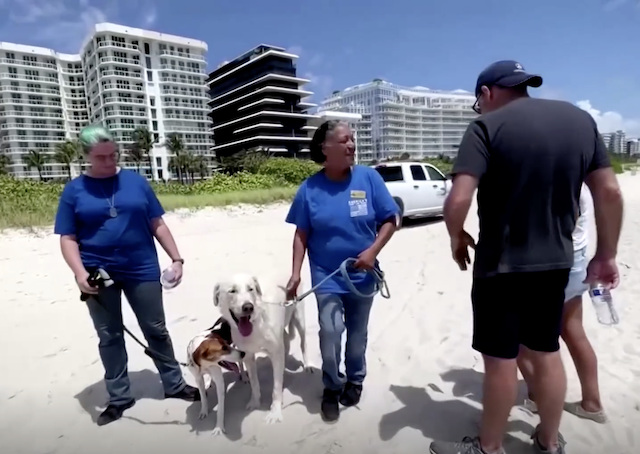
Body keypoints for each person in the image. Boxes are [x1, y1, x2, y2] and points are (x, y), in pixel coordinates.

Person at [430, 60, 623, 454]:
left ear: (486, 93)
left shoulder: (485, 127)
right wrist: (606, 254)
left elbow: (459, 198)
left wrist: (456, 236)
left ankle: (489, 448)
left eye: (476, 103)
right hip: (556, 262)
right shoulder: (579, 120)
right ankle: (549, 443)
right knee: (547, 351)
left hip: (500, 267)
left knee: (500, 360)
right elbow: (610, 193)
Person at [54, 125, 199, 427]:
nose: (109, 162)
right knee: (109, 336)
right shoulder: (74, 191)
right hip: (97, 272)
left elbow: (156, 223)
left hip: (141, 267)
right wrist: (79, 273)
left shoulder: (136, 182)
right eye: (101, 157)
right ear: (87, 157)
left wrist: (177, 258)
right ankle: (119, 397)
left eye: (113, 155)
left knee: (156, 329)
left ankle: (174, 384)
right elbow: (67, 238)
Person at [284, 120, 399, 423]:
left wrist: (373, 251)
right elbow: (301, 235)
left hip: (364, 276)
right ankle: (332, 386)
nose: (352, 145)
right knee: (331, 331)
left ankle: (355, 379)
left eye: (353, 140)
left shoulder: (369, 178)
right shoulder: (309, 189)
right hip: (327, 276)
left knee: (357, 334)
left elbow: (391, 219)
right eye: (345, 140)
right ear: (325, 148)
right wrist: (295, 274)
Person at [517, 185, 607, 424]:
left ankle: (537, 397)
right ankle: (592, 402)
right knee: (574, 332)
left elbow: (553, 226)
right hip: (577, 263)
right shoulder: (583, 184)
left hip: (555, 267)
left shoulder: (563, 180)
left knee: (523, 340)